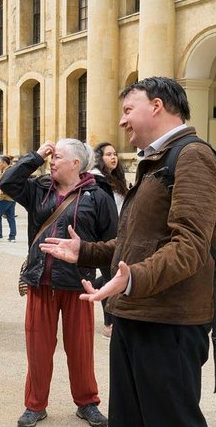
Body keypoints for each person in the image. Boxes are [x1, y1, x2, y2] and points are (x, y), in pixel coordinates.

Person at [40, 77, 216, 426]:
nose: (122, 121)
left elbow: (190, 246)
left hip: (168, 323)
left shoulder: (193, 156)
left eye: (128, 110)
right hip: (137, 314)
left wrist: (131, 279)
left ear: (156, 106)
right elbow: (136, 244)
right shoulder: (157, 160)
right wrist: (85, 251)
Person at [0, 139, 116, 427]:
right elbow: (7, 181)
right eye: (51, 157)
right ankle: (35, 405)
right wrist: (35, 157)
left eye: (57, 157)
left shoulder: (98, 196)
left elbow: (112, 245)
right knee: (38, 348)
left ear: (76, 163)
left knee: (81, 350)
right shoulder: (39, 189)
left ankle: (87, 402)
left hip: (79, 286)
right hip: (42, 282)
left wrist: (109, 300)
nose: (52, 161)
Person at [90, 142, 129, 338]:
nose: (113, 157)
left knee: (114, 276)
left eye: (115, 154)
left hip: (121, 234)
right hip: (105, 236)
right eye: (108, 155)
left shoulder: (116, 179)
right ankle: (109, 324)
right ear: (100, 158)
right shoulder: (96, 180)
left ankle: (89, 288)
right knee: (109, 277)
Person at [0, 155, 17, 242]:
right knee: (11, 217)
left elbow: (3, 185)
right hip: (12, 198)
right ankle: (12, 236)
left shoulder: (7, 172)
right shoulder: (11, 170)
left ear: (4, 163)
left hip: (4, 197)